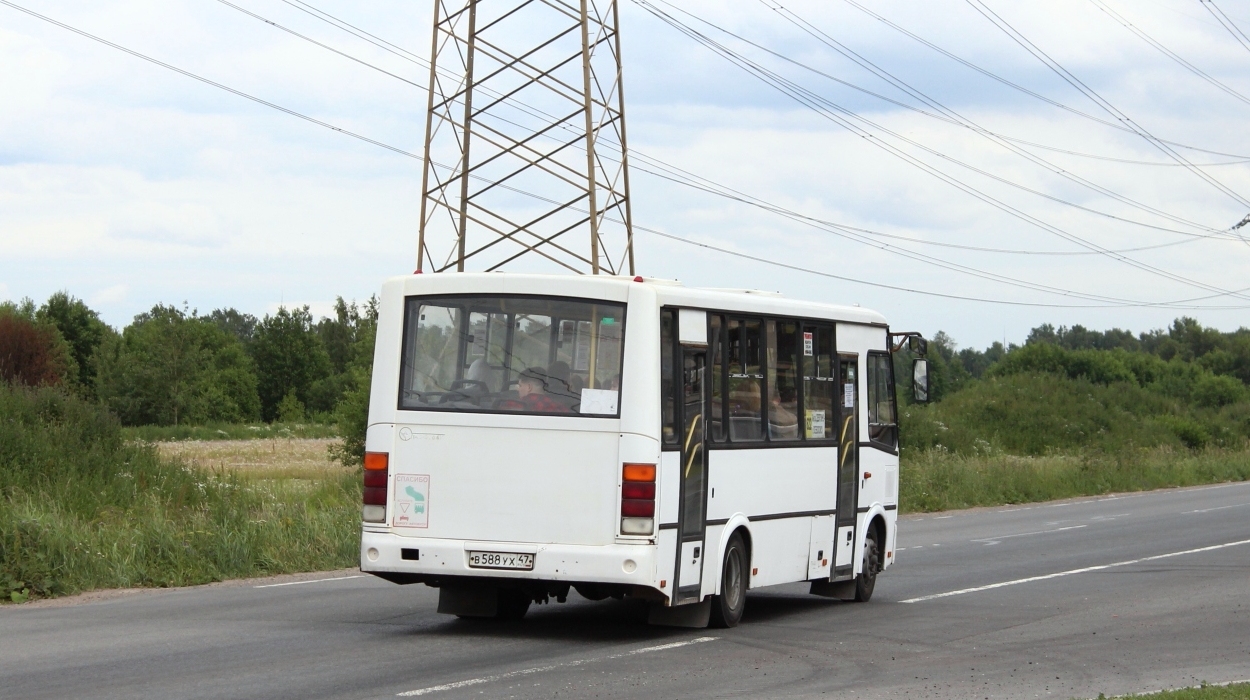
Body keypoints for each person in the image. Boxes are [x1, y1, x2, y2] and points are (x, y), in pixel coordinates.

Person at [499, 368, 572, 413]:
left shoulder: (514, 405)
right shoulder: (559, 407)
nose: (518, 389)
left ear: (529, 387)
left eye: (520, 385)